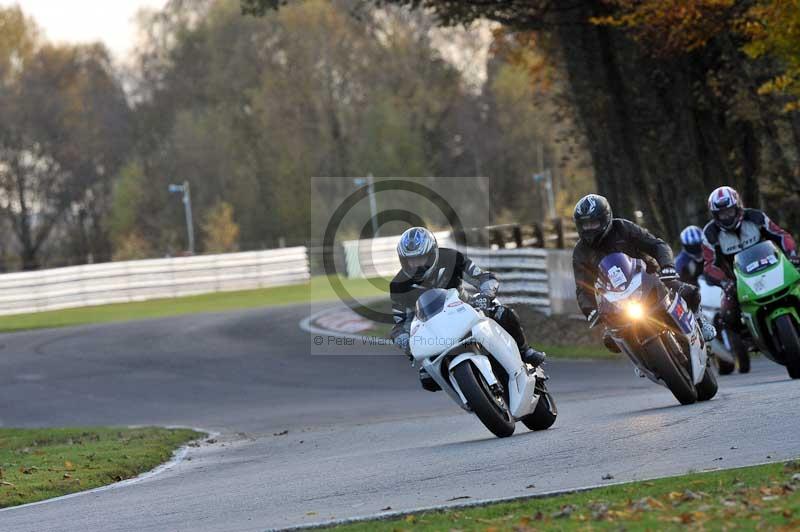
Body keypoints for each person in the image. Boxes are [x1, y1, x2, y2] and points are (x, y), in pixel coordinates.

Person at [390, 227, 546, 391]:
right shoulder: (399, 285)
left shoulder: (451, 258)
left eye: (420, 258)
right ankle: (469, 391)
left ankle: (524, 351)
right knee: (428, 380)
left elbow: (482, 277)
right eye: (410, 260)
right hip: (433, 329)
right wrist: (406, 341)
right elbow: (401, 323)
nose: (415, 264)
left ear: (431, 253)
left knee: (503, 313)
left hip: (466, 309)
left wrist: (485, 295)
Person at [571, 194, 716, 350]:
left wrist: (666, 266)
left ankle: (699, 320)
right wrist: (590, 310)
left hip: (647, 278)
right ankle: (640, 359)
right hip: (614, 299)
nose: (589, 228)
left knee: (689, 292)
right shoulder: (580, 252)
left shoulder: (623, 228)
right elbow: (582, 287)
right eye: (585, 225)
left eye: (594, 223)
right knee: (610, 341)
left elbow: (657, 245)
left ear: (605, 218)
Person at [702, 185, 798, 331]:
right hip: (737, 281)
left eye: (729, 211)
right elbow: (709, 265)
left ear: (738, 207)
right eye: (722, 214)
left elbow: (781, 235)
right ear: (715, 215)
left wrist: (792, 254)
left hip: (772, 265)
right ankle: (744, 339)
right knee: (727, 314)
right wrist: (724, 281)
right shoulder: (710, 234)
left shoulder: (756, 217)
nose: (727, 217)